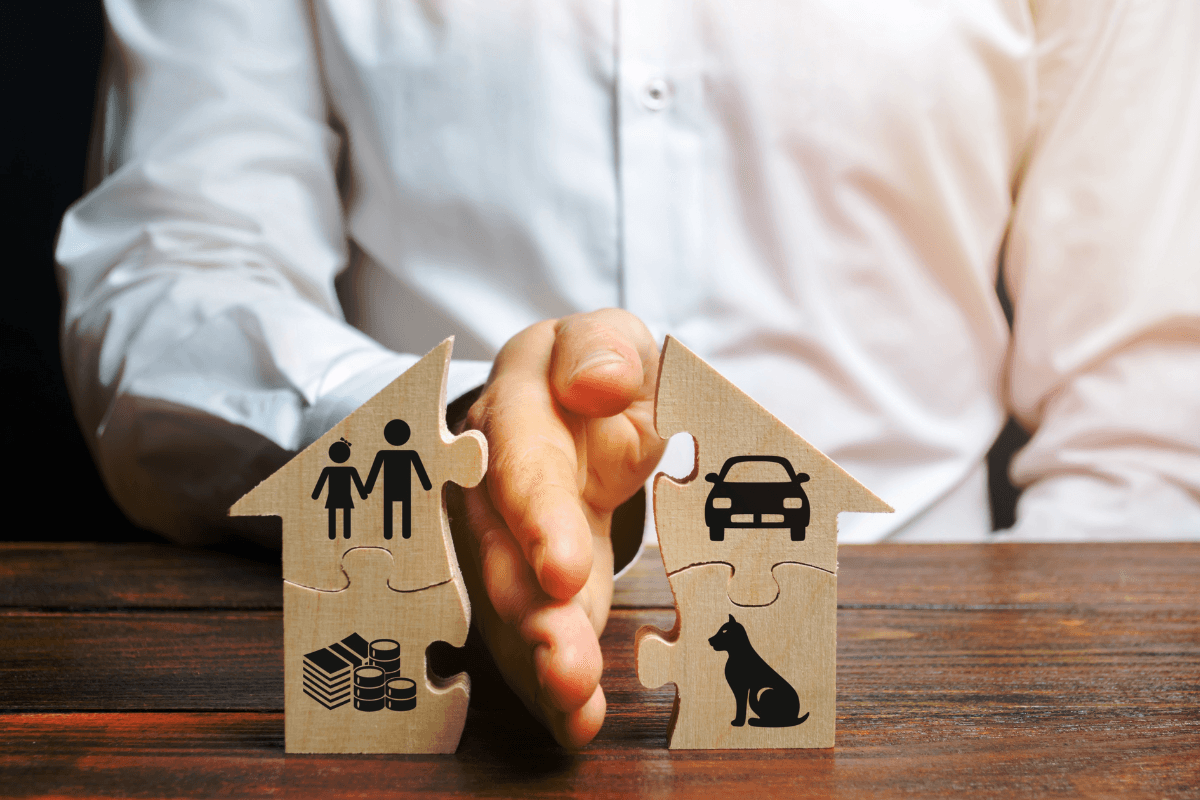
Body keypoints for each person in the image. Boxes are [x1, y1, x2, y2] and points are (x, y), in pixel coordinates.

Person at [55, 1, 1200, 748]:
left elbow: (1147, 407)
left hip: (924, 708)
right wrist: (441, 447)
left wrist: (1041, 738)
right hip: (423, 692)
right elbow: (172, 270)